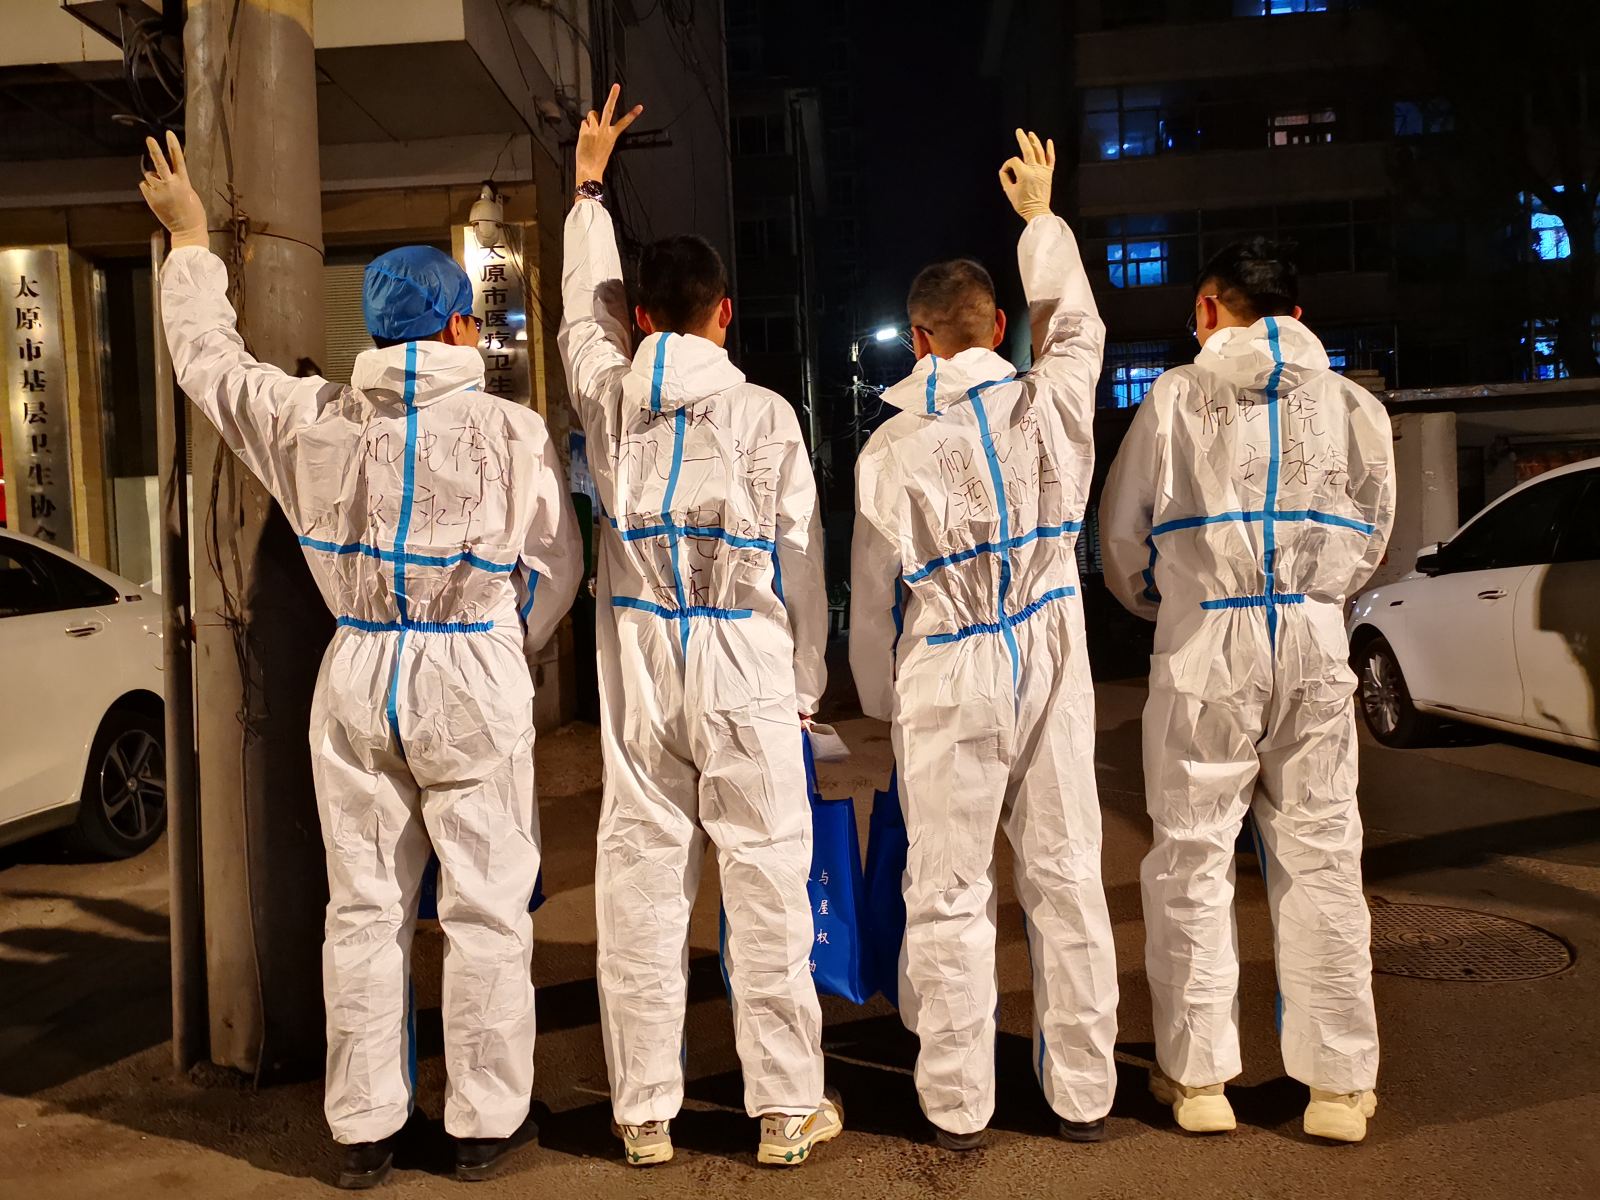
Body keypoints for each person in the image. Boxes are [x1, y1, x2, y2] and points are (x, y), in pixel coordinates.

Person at [139, 133, 583, 1188]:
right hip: (469, 671)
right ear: (460, 325)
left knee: (365, 908)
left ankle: (364, 1129)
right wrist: (503, 643)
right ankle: (484, 1124)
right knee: (485, 906)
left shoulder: (312, 419)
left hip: (357, 673)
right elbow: (555, 565)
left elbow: (211, 366)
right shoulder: (512, 431)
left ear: (375, 329)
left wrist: (190, 239)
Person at [558, 86, 841, 1168]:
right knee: (765, 879)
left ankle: (643, 1113)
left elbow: (582, 322)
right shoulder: (767, 415)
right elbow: (801, 563)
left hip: (643, 658)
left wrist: (589, 190)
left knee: (640, 879)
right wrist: (804, 682)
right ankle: (784, 1109)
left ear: (641, 318)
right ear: (726, 312)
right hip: (744, 661)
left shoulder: (610, 399)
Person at [849, 130, 1119, 1150]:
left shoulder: (891, 448)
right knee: (1066, 871)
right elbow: (1079, 327)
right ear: (999, 327)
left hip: (949, 662)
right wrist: (1040, 220)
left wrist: (884, 702)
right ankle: (1083, 1095)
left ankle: (959, 1104)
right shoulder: (1052, 404)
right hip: (1048, 641)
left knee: (951, 890)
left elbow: (871, 593)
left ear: (918, 340)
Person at [1100, 237, 1394, 1144]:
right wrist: (1314, 597)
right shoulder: (1353, 405)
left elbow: (1122, 538)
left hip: (1208, 646)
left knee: (1191, 857)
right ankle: (1338, 1088)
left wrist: (1172, 604)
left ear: (1205, 310)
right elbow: (1375, 529)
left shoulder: (1175, 397)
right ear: (1298, 315)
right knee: (1323, 856)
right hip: (1311, 637)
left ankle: (1199, 1080)